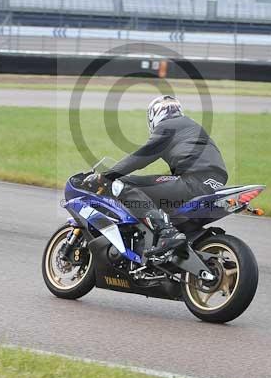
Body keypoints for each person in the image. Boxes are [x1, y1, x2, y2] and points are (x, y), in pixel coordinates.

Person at [85, 95, 228, 259]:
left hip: (193, 182)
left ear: (155, 115)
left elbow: (140, 157)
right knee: (159, 191)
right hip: (213, 184)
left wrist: (106, 176)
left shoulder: (168, 127)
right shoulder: (191, 126)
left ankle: (166, 234)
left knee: (124, 184)